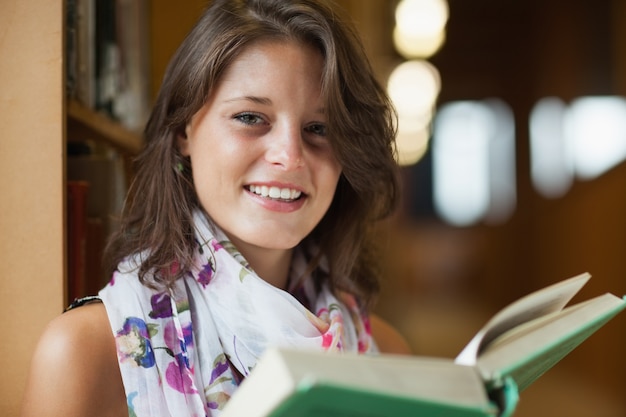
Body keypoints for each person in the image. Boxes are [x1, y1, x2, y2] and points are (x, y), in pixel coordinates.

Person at [21, 0, 411, 416]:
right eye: (250, 117)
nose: (290, 156)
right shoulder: (86, 355)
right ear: (184, 130)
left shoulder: (387, 355)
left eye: (319, 128)